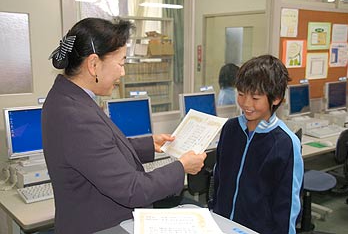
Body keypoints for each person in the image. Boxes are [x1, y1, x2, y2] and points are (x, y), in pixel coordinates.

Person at [43, 17, 206, 234]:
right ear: (93, 64)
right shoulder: (76, 115)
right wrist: (181, 167)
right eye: (120, 63)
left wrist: (150, 144)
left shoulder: (66, 96)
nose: (123, 73)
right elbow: (132, 189)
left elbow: (99, 149)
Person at [211, 55, 303, 233]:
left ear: (275, 98)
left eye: (255, 98)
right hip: (222, 223)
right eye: (241, 94)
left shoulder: (285, 143)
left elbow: (288, 205)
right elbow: (219, 178)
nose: (246, 104)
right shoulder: (230, 129)